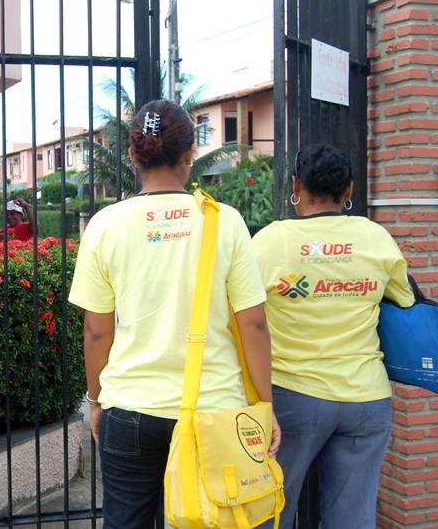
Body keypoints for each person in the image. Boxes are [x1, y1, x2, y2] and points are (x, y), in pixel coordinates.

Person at [68, 100, 280, 528]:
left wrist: (95, 400)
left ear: (133, 155)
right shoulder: (225, 222)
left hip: (129, 407)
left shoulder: (105, 225)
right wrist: (265, 404)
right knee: (215, 519)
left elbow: (96, 332)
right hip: (214, 410)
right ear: (190, 154)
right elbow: (254, 324)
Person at [252, 144, 414, 529]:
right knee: (353, 519)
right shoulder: (374, 237)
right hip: (367, 399)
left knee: (269, 509)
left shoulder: (272, 241)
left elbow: (242, 313)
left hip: (293, 398)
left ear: (296, 185)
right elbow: (404, 298)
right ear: (349, 190)